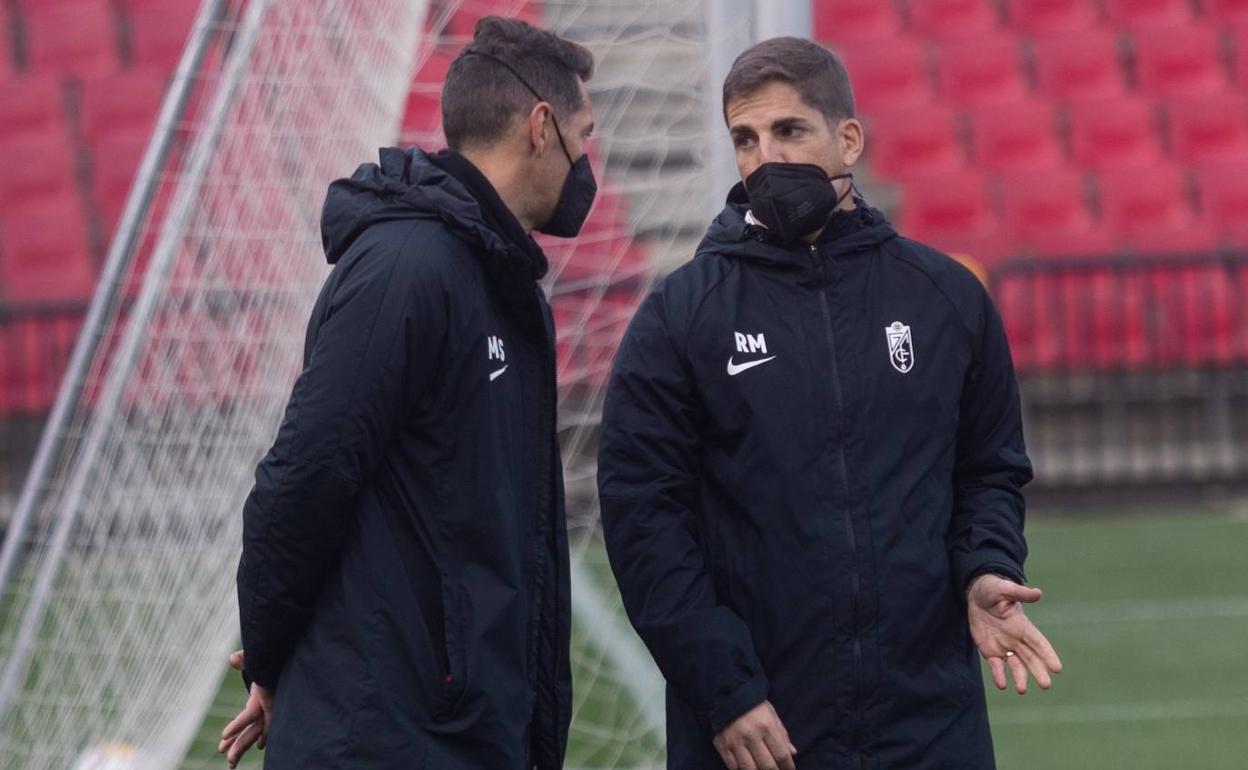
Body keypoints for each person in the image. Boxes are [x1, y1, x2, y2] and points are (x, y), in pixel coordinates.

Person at [598, 37, 1062, 770]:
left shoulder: (945, 299)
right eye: (744, 139)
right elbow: (643, 520)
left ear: (848, 138)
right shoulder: (681, 317)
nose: (764, 158)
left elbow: (989, 471)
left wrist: (984, 568)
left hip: (928, 719)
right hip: (762, 729)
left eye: (788, 131)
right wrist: (726, 691)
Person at [216, 17, 596, 769]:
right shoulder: (408, 267)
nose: (589, 162)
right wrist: (270, 653)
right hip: (388, 737)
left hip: (454, 732)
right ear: (540, 126)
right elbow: (302, 479)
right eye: (586, 134)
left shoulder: (498, 280)